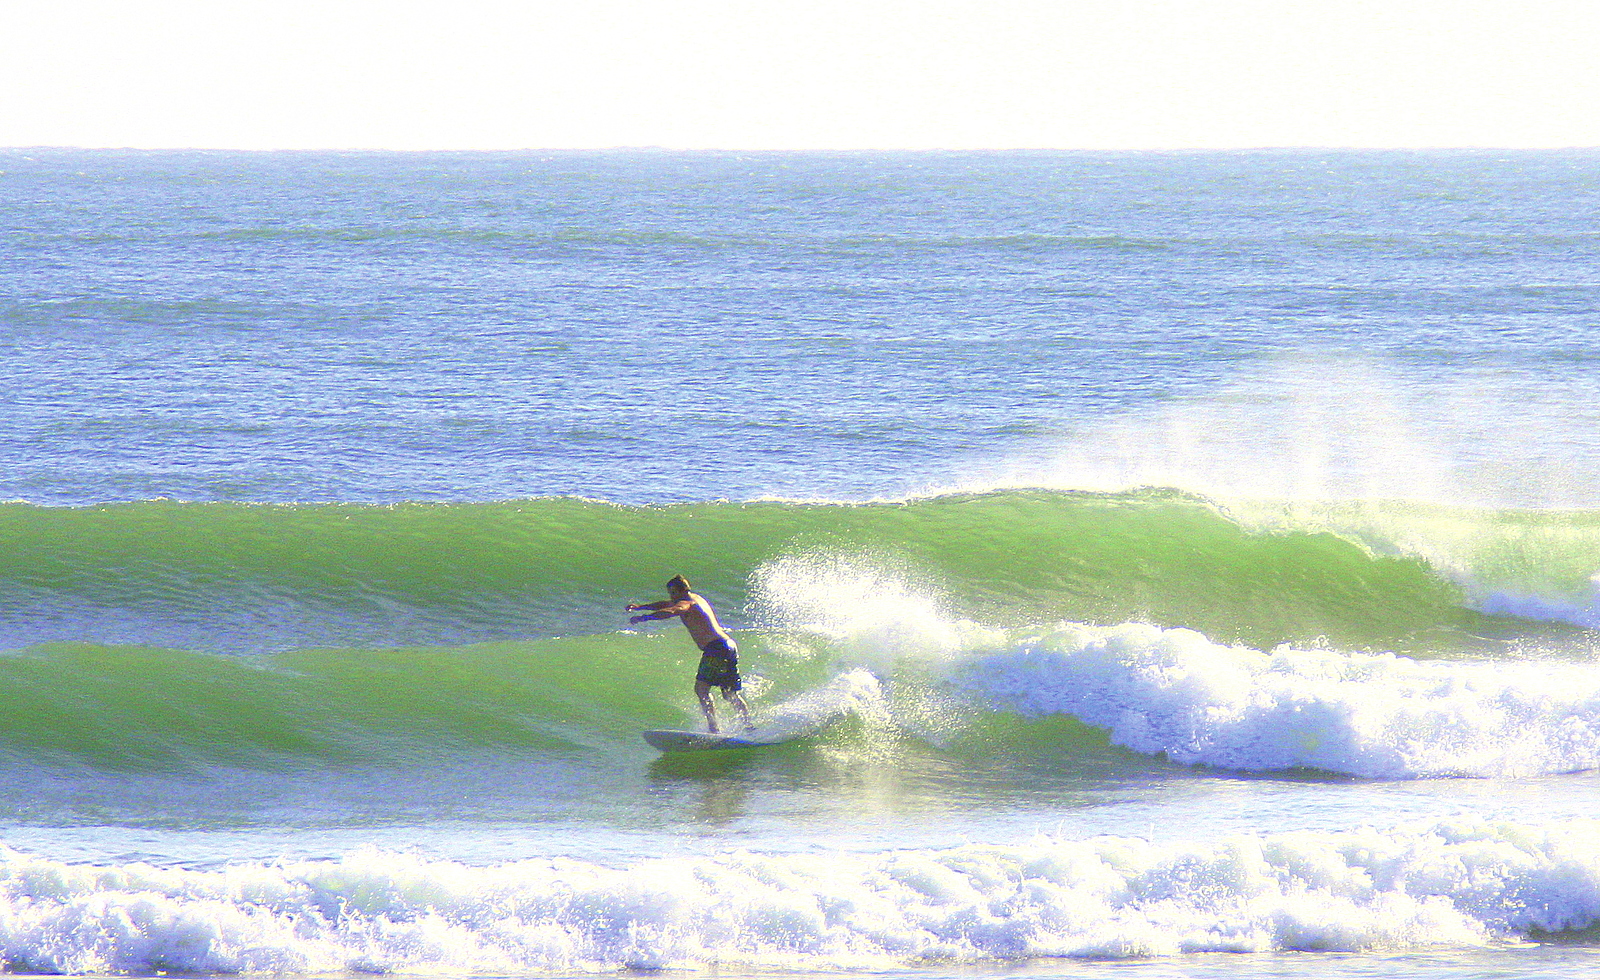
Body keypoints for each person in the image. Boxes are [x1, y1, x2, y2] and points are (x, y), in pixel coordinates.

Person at [627, 574, 752, 734]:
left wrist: (644, 618)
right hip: (728, 645)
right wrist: (641, 606)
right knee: (729, 693)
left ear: (680, 591)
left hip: (716, 649)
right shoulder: (696, 598)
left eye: (672, 593)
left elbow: (672, 609)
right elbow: (667, 604)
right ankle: (748, 726)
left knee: (701, 689)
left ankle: (714, 729)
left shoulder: (687, 603)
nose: (670, 596)